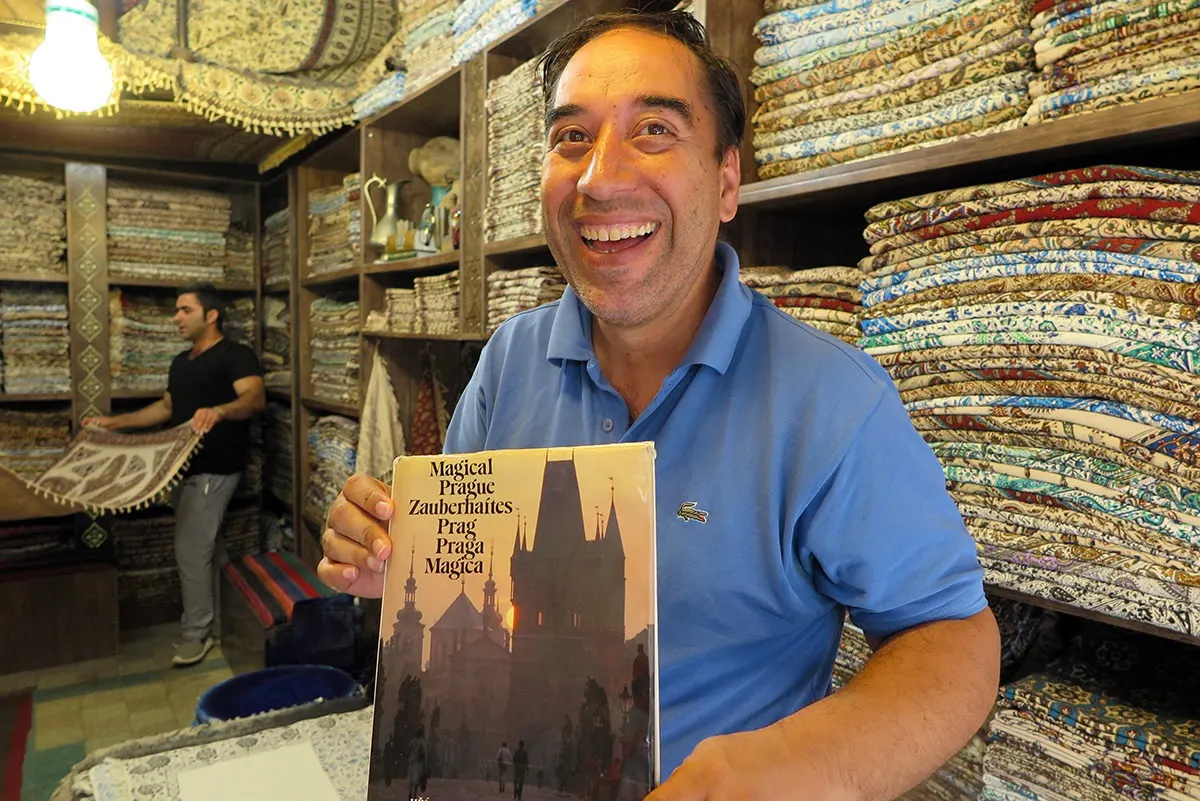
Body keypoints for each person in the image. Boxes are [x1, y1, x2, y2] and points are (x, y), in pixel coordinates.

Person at [319, 11, 1000, 801]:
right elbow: (464, 562)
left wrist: (810, 764)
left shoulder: (834, 405)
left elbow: (954, 635)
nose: (600, 178)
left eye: (653, 129)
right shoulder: (508, 362)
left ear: (726, 181)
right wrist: (390, 552)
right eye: (571, 138)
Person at [85, 282, 265, 666]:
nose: (176, 318)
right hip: (182, 472)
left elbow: (253, 398)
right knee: (208, 549)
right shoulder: (181, 363)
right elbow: (166, 408)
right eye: (177, 311)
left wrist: (219, 411)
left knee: (188, 549)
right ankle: (221, 626)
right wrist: (115, 424)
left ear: (211, 315)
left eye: (185, 310)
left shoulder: (235, 355)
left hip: (216, 470)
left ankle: (194, 633)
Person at [407, 725, 427, 801]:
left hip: (411, 762)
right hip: (418, 763)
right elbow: (424, 754)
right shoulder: (422, 742)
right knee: (417, 780)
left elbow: (408, 750)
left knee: (411, 779)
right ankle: (414, 794)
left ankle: (410, 792)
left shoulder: (412, 741)